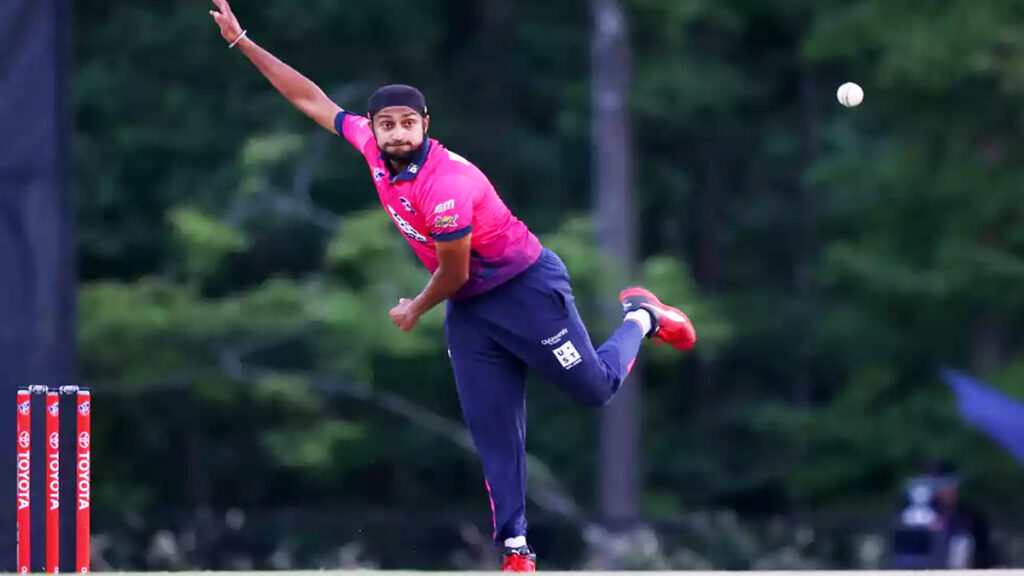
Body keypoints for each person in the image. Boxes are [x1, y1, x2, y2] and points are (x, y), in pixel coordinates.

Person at [209, 0, 697, 570]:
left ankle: (643, 316)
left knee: (594, 390)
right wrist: (242, 41)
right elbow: (310, 99)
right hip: (470, 311)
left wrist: (415, 308)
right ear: (374, 128)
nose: (396, 133)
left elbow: (455, 270)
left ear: (425, 124)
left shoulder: (446, 186)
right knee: (494, 432)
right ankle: (516, 550)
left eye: (407, 123)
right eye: (386, 124)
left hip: (525, 292)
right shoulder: (370, 146)